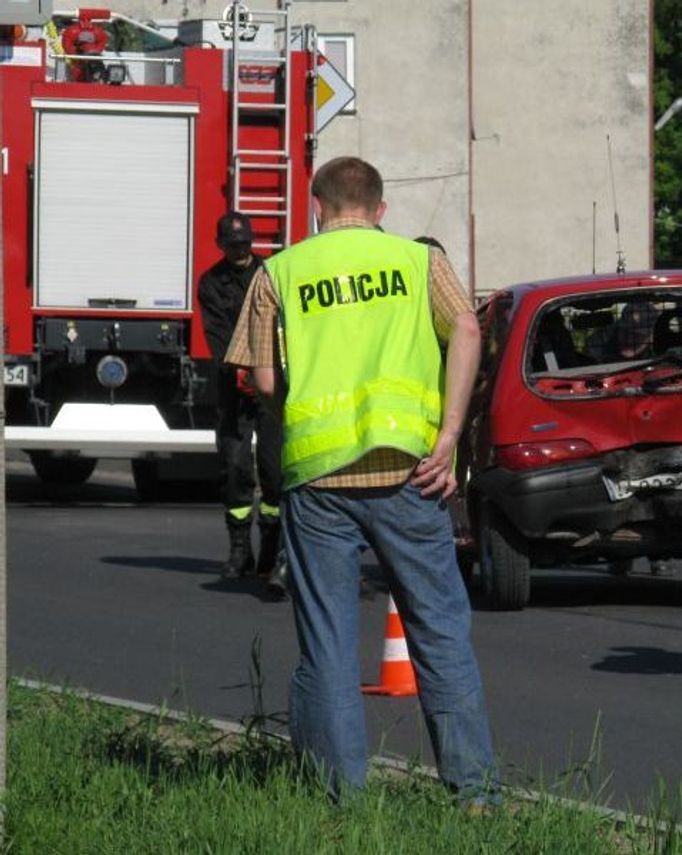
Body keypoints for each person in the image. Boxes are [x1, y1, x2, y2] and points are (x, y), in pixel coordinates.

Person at [225, 156, 498, 803]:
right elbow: (466, 326)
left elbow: (261, 381)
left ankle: (339, 800)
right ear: (380, 209)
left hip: (317, 480)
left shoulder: (279, 272)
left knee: (328, 644)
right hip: (410, 470)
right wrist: (449, 434)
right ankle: (476, 798)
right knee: (440, 631)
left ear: (316, 206)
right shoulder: (417, 262)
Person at [198, 211, 286, 597]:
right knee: (234, 467)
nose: (240, 250)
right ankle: (239, 550)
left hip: (271, 386)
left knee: (274, 468)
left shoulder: (272, 274)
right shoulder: (211, 283)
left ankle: (271, 549)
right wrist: (236, 369)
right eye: (233, 245)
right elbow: (217, 335)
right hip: (233, 387)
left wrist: (266, 372)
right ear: (221, 245)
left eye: (245, 244)